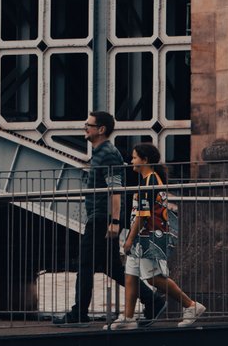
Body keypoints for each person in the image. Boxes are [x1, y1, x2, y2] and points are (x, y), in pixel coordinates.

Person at [53, 112, 166, 326]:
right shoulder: (100, 153)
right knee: (111, 267)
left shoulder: (108, 154)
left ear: (101, 129)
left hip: (102, 219)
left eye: (89, 125)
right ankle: (153, 301)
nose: (85, 128)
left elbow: (116, 190)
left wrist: (114, 222)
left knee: (85, 264)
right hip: (101, 217)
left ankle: (79, 313)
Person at [109, 142, 205, 330]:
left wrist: (129, 239)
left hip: (148, 237)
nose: (131, 161)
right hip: (142, 236)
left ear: (145, 160)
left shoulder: (150, 181)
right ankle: (128, 318)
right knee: (131, 274)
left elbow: (143, 215)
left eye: (135, 157)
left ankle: (191, 306)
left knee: (154, 278)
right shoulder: (149, 179)